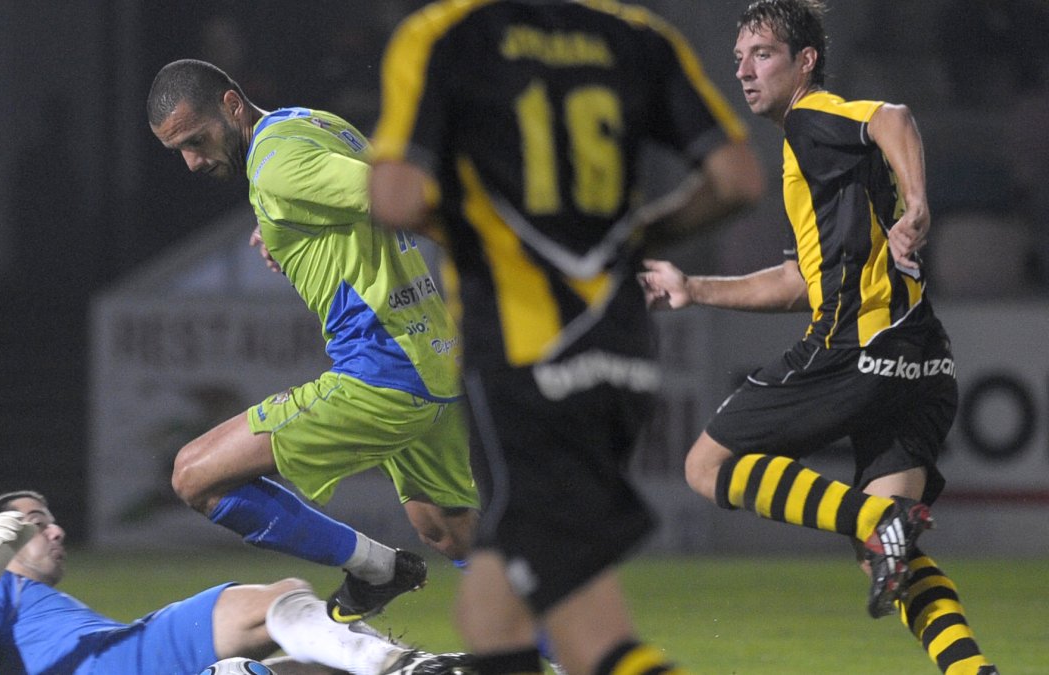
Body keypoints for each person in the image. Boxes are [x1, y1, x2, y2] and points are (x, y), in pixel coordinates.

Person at [369, 2, 763, 675]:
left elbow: (396, 198)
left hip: (523, 360)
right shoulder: (640, 37)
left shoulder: (443, 36)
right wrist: (641, 233)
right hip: (622, 357)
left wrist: (474, 227)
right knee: (502, 612)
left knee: (578, 630)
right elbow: (737, 179)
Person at [640, 2, 998, 674]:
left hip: (857, 350)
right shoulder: (816, 155)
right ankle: (973, 670)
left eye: (762, 54)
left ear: (805, 61)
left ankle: (876, 521)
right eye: (739, 58)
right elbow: (801, 282)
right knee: (885, 558)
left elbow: (893, 116)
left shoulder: (812, 120)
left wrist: (920, 203)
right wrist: (694, 287)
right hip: (922, 360)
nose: (744, 71)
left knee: (705, 467)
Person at [145, 59, 480, 624]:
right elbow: (360, 198)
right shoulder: (309, 123)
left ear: (231, 105)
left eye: (196, 140)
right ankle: (576, 654)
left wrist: (516, 262)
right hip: (432, 359)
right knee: (450, 533)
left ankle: (378, 569)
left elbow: (411, 196)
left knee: (194, 475)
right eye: (178, 150)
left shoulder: (277, 168)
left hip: (384, 372)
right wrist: (283, 230)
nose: (192, 161)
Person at [0, 490, 474, 675]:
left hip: (135, 655)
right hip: (130, 659)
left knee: (320, 666)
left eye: (50, 519)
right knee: (279, 599)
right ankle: (401, 666)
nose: (56, 530)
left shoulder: (27, 599)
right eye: (35, 523)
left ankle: (409, 666)